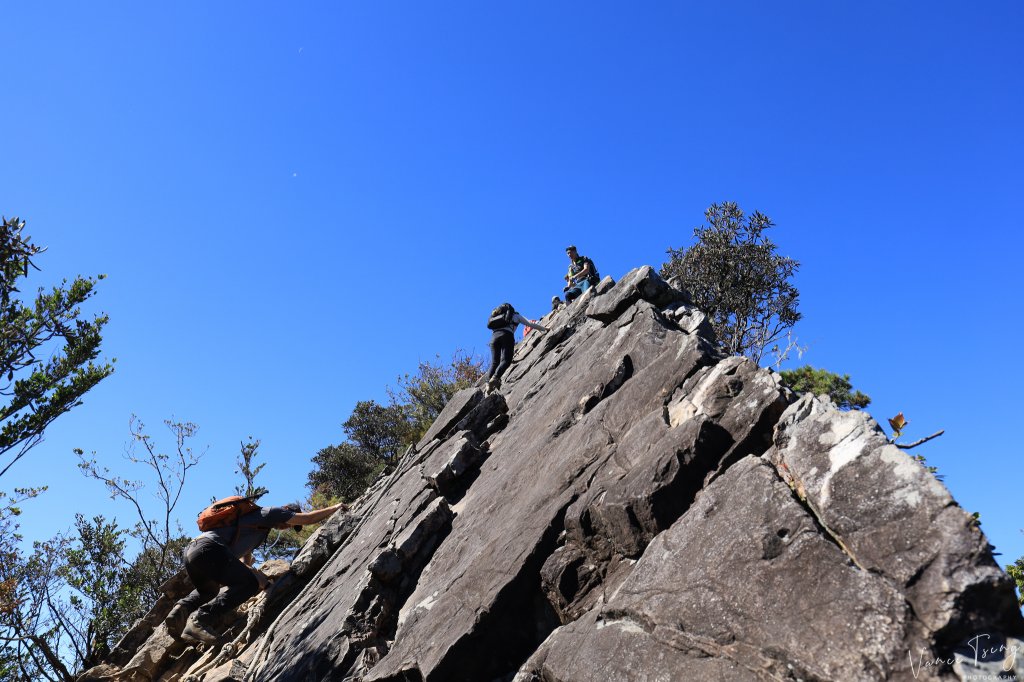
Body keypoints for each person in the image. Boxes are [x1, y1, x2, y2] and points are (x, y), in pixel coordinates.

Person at [165, 500, 347, 643]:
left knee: (209, 591)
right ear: (287, 511)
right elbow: (308, 519)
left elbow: (245, 563)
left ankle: (179, 611)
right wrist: (336, 508)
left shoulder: (256, 528)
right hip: (208, 548)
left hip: (193, 551)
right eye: (291, 521)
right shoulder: (272, 512)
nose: (288, 526)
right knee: (249, 585)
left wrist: (263, 581)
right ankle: (200, 620)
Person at [486, 303, 549, 393]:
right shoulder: (515, 316)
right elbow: (530, 324)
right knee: (506, 361)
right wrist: (545, 329)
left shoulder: (497, 317)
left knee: (495, 362)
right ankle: (495, 378)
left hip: (493, 338)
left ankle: (487, 384)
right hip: (507, 335)